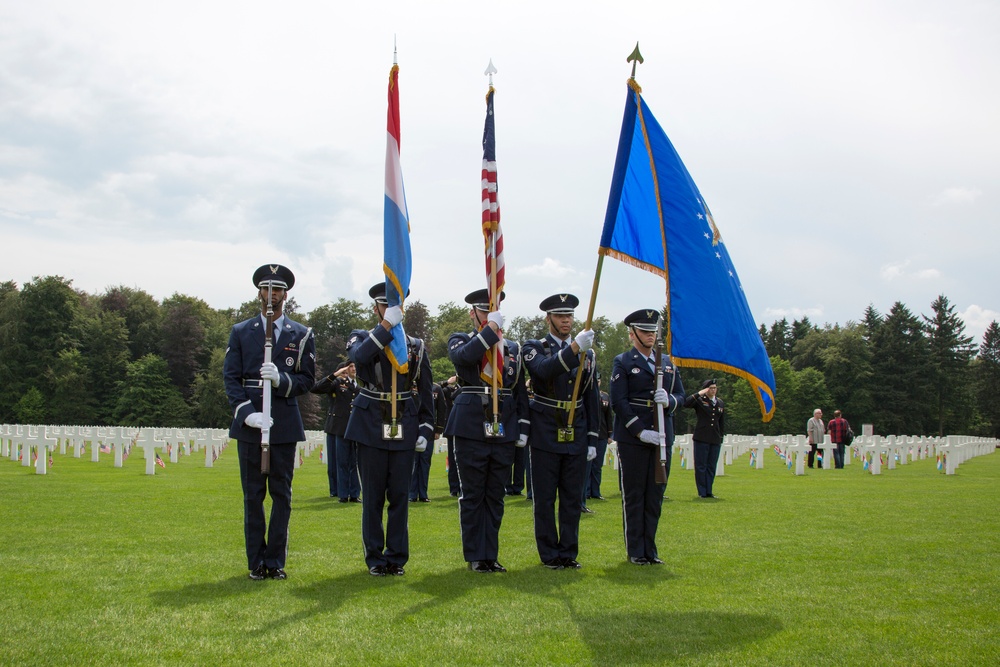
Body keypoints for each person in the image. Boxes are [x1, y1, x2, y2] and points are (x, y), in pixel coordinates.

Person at [223, 264, 315, 581]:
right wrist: (248, 413)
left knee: (281, 496)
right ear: (259, 293)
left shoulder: (301, 334)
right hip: (251, 425)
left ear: (285, 295)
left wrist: (281, 380)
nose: (271, 295)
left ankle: (275, 561)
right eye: (266, 289)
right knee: (252, 496)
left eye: (277, 289)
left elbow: (307, 380)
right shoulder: (241, 332)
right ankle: (255, 562)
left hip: (284, 424)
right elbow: (231, 379)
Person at [346, 283, 434, 577]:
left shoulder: (415, 345)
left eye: (394, 305)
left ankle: (396, 557)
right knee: (372, 497)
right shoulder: (362, 337)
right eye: (384, 305)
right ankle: (374, 557)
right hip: (371, 422)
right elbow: (359, 359)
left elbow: (425, 389)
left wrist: (426, 426)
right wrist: (386, 326)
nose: (390, 309)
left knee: (399, 496)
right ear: (376, 308)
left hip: (405, 423)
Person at [445, 288, 529, 573]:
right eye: (483, 310)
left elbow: (518, 392)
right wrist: (490, 330)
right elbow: (465, 358)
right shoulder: (461, 339)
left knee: (495, 493)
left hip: (503, 423)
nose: (487, 314)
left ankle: (490, 554)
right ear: (473, 313)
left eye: (492, 310)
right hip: (470, 421)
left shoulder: (512, 349)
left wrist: (523, 427)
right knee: (473, 494)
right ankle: (475, 556)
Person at [522, 293, 599, 570]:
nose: (566, 321)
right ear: (548, 319)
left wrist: (592, 437)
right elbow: (544, 371)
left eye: (569, 316)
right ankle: (549, 554)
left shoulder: (587, 353)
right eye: (560, 316)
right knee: (544, 498)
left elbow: (591, 397)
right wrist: (575, 348)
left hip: (576, 429)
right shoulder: (534, 347)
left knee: (571, 497)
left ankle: (568, 552)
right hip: (545, 427)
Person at [610, 309, 685, 565]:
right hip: (634, 439)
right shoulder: (624, 361)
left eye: (653, 331)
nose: (650, 335)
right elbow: (619, 402)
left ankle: (650, 550)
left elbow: (682, 396)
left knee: (655, 495)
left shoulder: (667, 363)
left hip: (663, 437)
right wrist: (640, 431)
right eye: (644, 331)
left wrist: (670, 401)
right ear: (632, 334)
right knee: (634, 495)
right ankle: (635, 551)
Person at [311, 360, 361, 502]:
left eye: (354, 366)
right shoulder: (338, 384)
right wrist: (335, 375)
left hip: (355, 429)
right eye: (350, 366)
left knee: (354, 463)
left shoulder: (360, 385)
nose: (352, 369)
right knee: (342, 462)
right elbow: (316, 388)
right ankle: (343, 494)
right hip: (340, 428)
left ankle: (355, 494)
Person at [685, 378, 725, 499]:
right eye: (710, 388)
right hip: (702, 437)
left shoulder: (720, 402)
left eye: (714, 388)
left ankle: (709, 491)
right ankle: (702, 491)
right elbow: (686, 403)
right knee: (701, 465)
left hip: (714, 438)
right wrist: (698, 394)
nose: (713, 390)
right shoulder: (700, 400)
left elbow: (721, 421)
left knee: (711, 466)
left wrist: (721, 436)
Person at [409, 380, 447, 502]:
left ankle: (423, 494)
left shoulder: (436, 388)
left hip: (428, 431)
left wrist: (438, 430)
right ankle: (412, 494)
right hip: (411, 430)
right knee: (413, 463)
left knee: (425, 463)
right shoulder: (407, 385)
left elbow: (441, 409)